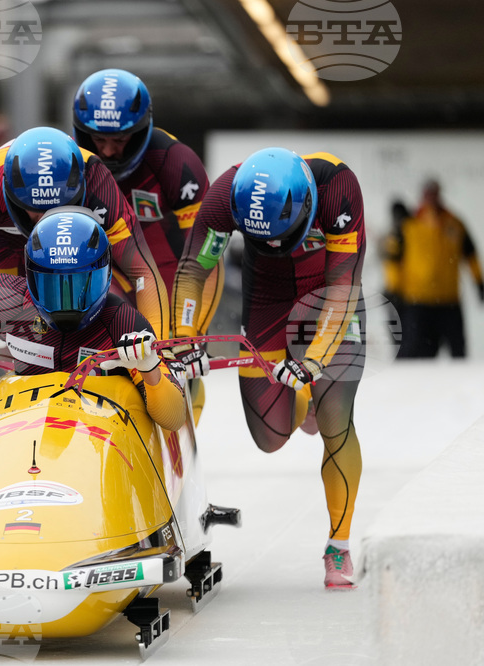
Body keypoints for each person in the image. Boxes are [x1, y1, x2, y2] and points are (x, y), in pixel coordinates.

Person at [171, 147, 366, 589]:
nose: (275, 245)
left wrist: (314, 360)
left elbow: (344, 285)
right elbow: (193, 269)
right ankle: (302, 400)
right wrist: (184, 338)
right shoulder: (227, 197)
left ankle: (339, 545)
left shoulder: (337, 187)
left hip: (330, 294)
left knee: (336, 419)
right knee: (269, 437)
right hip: (269, 299)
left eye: (284, 234)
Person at [0, 126, 169, 360]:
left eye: (60, 206)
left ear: (80, 190)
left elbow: (142, 271)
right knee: (2, 334)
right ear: (11, 196)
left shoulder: (97, 181)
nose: (47, 220)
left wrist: (158, 348)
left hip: (70, 246)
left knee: (90, 307)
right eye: (37, 210)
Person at [0, 208, 186, 432]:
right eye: (51, 286)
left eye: (80, 285)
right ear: (31, 278)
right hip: (29, 432)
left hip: (100, 440)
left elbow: (173, 419)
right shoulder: (12, 299)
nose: (66, 304)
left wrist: (150, 369)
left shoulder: (121, 322)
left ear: (106, 274)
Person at [73, 68, 222, 424]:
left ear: (141, 131)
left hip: (169, 281)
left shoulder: (176, 162)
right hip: (110, 277)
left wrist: (192, 330)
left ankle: (182, 418)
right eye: (97, 139)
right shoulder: (71, 163)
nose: (107, 150)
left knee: (171, 359)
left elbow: (206, 255)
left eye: (120, 140)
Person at [394, 180, 484, 358]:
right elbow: (394, 258)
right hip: (417, 300)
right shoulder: (410, 224)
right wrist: (394, 287)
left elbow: (470, 255)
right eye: (428, 194)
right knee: (415, 353)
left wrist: (479, 282)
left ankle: (460, 386)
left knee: (458, 352)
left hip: (448, 300)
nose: (431, 199)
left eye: (434, 194)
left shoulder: (454, 224)